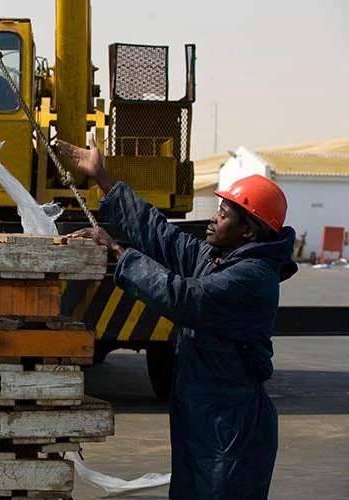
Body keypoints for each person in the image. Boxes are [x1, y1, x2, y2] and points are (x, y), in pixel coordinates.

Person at [56, 136, 297, 500]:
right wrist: (102, 178)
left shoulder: (252, 278)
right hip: (199, 416)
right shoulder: (217, 259)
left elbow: (184, 298)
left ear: (248, 230)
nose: (213, 218)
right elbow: (162, 234)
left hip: (230, 425)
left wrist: (119, 252)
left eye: (224, 213)